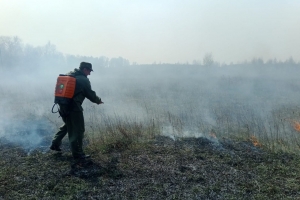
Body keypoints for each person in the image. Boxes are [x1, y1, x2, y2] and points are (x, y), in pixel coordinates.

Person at [50, 62, 103, 160]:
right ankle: (78, 154)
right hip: (74, 108)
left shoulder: (69, 74)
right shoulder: (83, 80)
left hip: (62, 106)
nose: (89, 73)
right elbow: (90, 94)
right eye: (89, 71)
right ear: (84, 69)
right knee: (78, 130)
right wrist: (98, 100)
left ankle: (55, 143)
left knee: (68, 125)